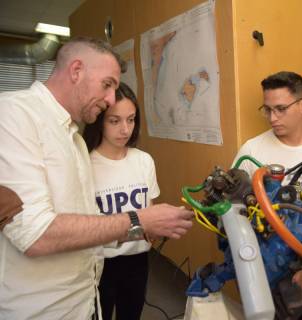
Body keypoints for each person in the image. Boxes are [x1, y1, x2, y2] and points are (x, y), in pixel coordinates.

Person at [0, 37, 193, 320]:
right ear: (76, 70)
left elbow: (88, 224)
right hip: (40, 310)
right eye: (107, 84)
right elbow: (35, 234)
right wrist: (139, 219)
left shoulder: (73, 139)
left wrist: (149, 226)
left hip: (83, 301)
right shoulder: (14, 114)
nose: (111, 100)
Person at [82, 82, 158, 320]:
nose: (125, 129)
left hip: (137, 259)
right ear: (99, 121)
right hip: (100, 262)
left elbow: (149, 209)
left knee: (131, 314)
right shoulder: (85, 164)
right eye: (115, 121)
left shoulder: (144, 161)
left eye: (131, 119)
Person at [232, 71, 302, 198]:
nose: (272, 118)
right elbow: (233, 207)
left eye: (281, 109)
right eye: (268, 109)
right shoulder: (251, 151)